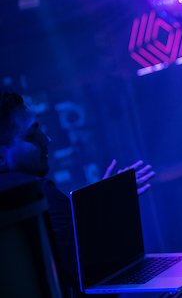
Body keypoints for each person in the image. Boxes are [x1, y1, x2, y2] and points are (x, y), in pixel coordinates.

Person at [0, 89, 154, 297]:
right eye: (32, 134)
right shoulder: (39, 194)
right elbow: (101, 282)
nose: (46, 139)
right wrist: (113, 207)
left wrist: (99, 204)